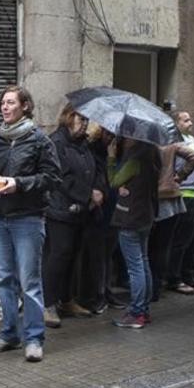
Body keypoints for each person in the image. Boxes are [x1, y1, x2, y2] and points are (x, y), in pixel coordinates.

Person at [0, 86, 60, 363]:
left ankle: (34, 338)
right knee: (4, 279)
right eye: (2, 102)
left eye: (11, 102)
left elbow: (52, 178)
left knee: (30, 281)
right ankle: (9, 334)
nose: (5, 107)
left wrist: (19, 184)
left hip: (27, 218)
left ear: (25, 106)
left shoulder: (39, 140)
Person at [41, 104, 105, 327]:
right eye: (81, 119)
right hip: (60, 210)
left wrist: (97, 190)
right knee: (58, 256)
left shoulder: (84, 144)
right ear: (68, 117)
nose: (85, 124)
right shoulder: (56, 142)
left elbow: (97, 169)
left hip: (82, 210)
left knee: (73, 256)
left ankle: (66, 299)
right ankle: (47, 304)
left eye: (87, 120)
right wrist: (88, 193)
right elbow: (60, 177)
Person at [108, 138, 160, 328]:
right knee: (143, 261)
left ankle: (137, 312)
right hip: (146, 215)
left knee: (135, 266)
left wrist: (111, 159)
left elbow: (114, 180)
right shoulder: (153, 153)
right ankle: (144, 310)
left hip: (130, 217)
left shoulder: (136, 157)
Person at [157, 111, 194, 295]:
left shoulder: (190, 140)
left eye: (190, 118)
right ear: (175, 123)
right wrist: (179, 178)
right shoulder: (174, 143)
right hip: (184, 194)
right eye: (185, 120)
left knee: (193, 239)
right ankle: (174, 277)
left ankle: (188, 275)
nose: (190, 122)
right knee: (180, 240)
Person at [80, 123, 124, 312]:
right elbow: (104, 177)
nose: (110, 137)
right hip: (98, 209)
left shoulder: (117, 152)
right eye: (108, 133)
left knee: (108, 253)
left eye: (114, 134)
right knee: (97, 255)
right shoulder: (93, 150)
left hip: (114, 209)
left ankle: (106, 291)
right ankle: (96, 294)